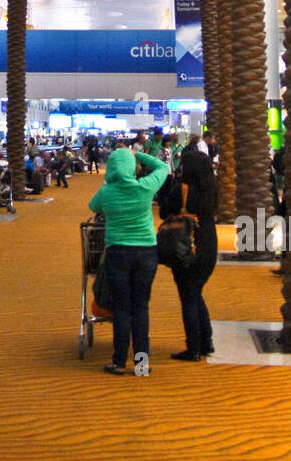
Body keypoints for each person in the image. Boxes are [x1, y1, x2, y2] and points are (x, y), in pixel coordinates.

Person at [88, 146, 169, 375]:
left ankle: (119, 361)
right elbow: (163, 167)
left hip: (117, 252)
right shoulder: (144, 188)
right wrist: (138, 155)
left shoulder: (107, 192)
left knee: (121, 308)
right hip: (146, 252)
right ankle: (141, 363)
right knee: (141, 307)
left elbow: (92, 206)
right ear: (132, 167)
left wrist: (110, 181)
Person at [169, 136, 218, 360]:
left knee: (188, 295)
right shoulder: (212, 189)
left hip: (186, 244)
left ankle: (194, 348)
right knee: (196, 292)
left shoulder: (182, 190)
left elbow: (164, 211)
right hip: (209, 241)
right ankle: (206, 342)